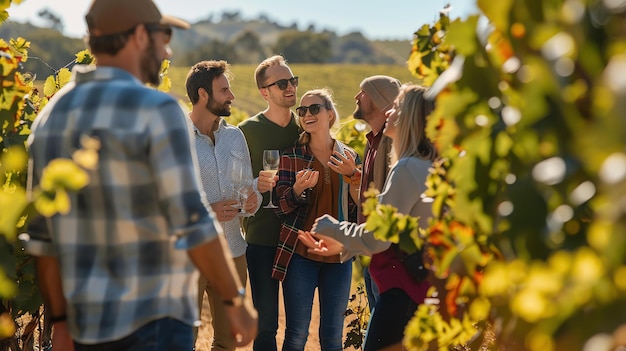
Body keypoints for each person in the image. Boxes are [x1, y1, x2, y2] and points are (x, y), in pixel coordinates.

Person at [21, 1, 257, 350]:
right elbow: (192, 219)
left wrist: (60, 323)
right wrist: (235, 301)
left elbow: (44, 239)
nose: (167, 50)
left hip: (87, 324)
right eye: (163, 37)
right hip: (155, 322)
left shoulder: (52, 117)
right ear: (138, 37)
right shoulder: (157, 111)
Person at [298, 84, 436, 351]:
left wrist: (333, 227)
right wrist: (345, 245)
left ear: (409, 116)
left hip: (402, 292)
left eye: (397, 107)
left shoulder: (407, 168)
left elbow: (378, 238)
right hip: (417, 290)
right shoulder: (424, 164)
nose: (390, 110)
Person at [273, 89, 361, 350]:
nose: (307, 114)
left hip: (339, 257)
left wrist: (354, 175)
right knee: (297, 334)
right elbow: (281, 207)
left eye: (314, 109)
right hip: (301, 255)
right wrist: (298, 189)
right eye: (302, 110)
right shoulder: (291, 156)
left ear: (330, 114)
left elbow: (360, 210)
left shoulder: (349, 157)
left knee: (333, 336)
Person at [185, 60, 262, 351]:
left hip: (232, 252)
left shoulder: (234, 136)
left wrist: (253, 200)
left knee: (229, 340)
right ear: (203, 94)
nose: (231, 96)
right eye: (224, 90)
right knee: (182, 339)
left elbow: (246, 188)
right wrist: (209, 212)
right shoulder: (177, 138)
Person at [238, 55, 301, 351]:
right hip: (261, 239)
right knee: (265, 328)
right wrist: (255, 188)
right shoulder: (246, 132)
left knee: (298, 327)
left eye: (293, 81)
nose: (291, 87)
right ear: (265, 92)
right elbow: (235, 188)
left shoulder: (304, 129)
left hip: (298, 240)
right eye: (282, 83)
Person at [354, 75, 401, 311]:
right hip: (371, 250)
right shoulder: (372, 142)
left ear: (379, 100)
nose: (357, 97)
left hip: (386, 254)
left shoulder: (392, 144)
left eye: (363, 92)